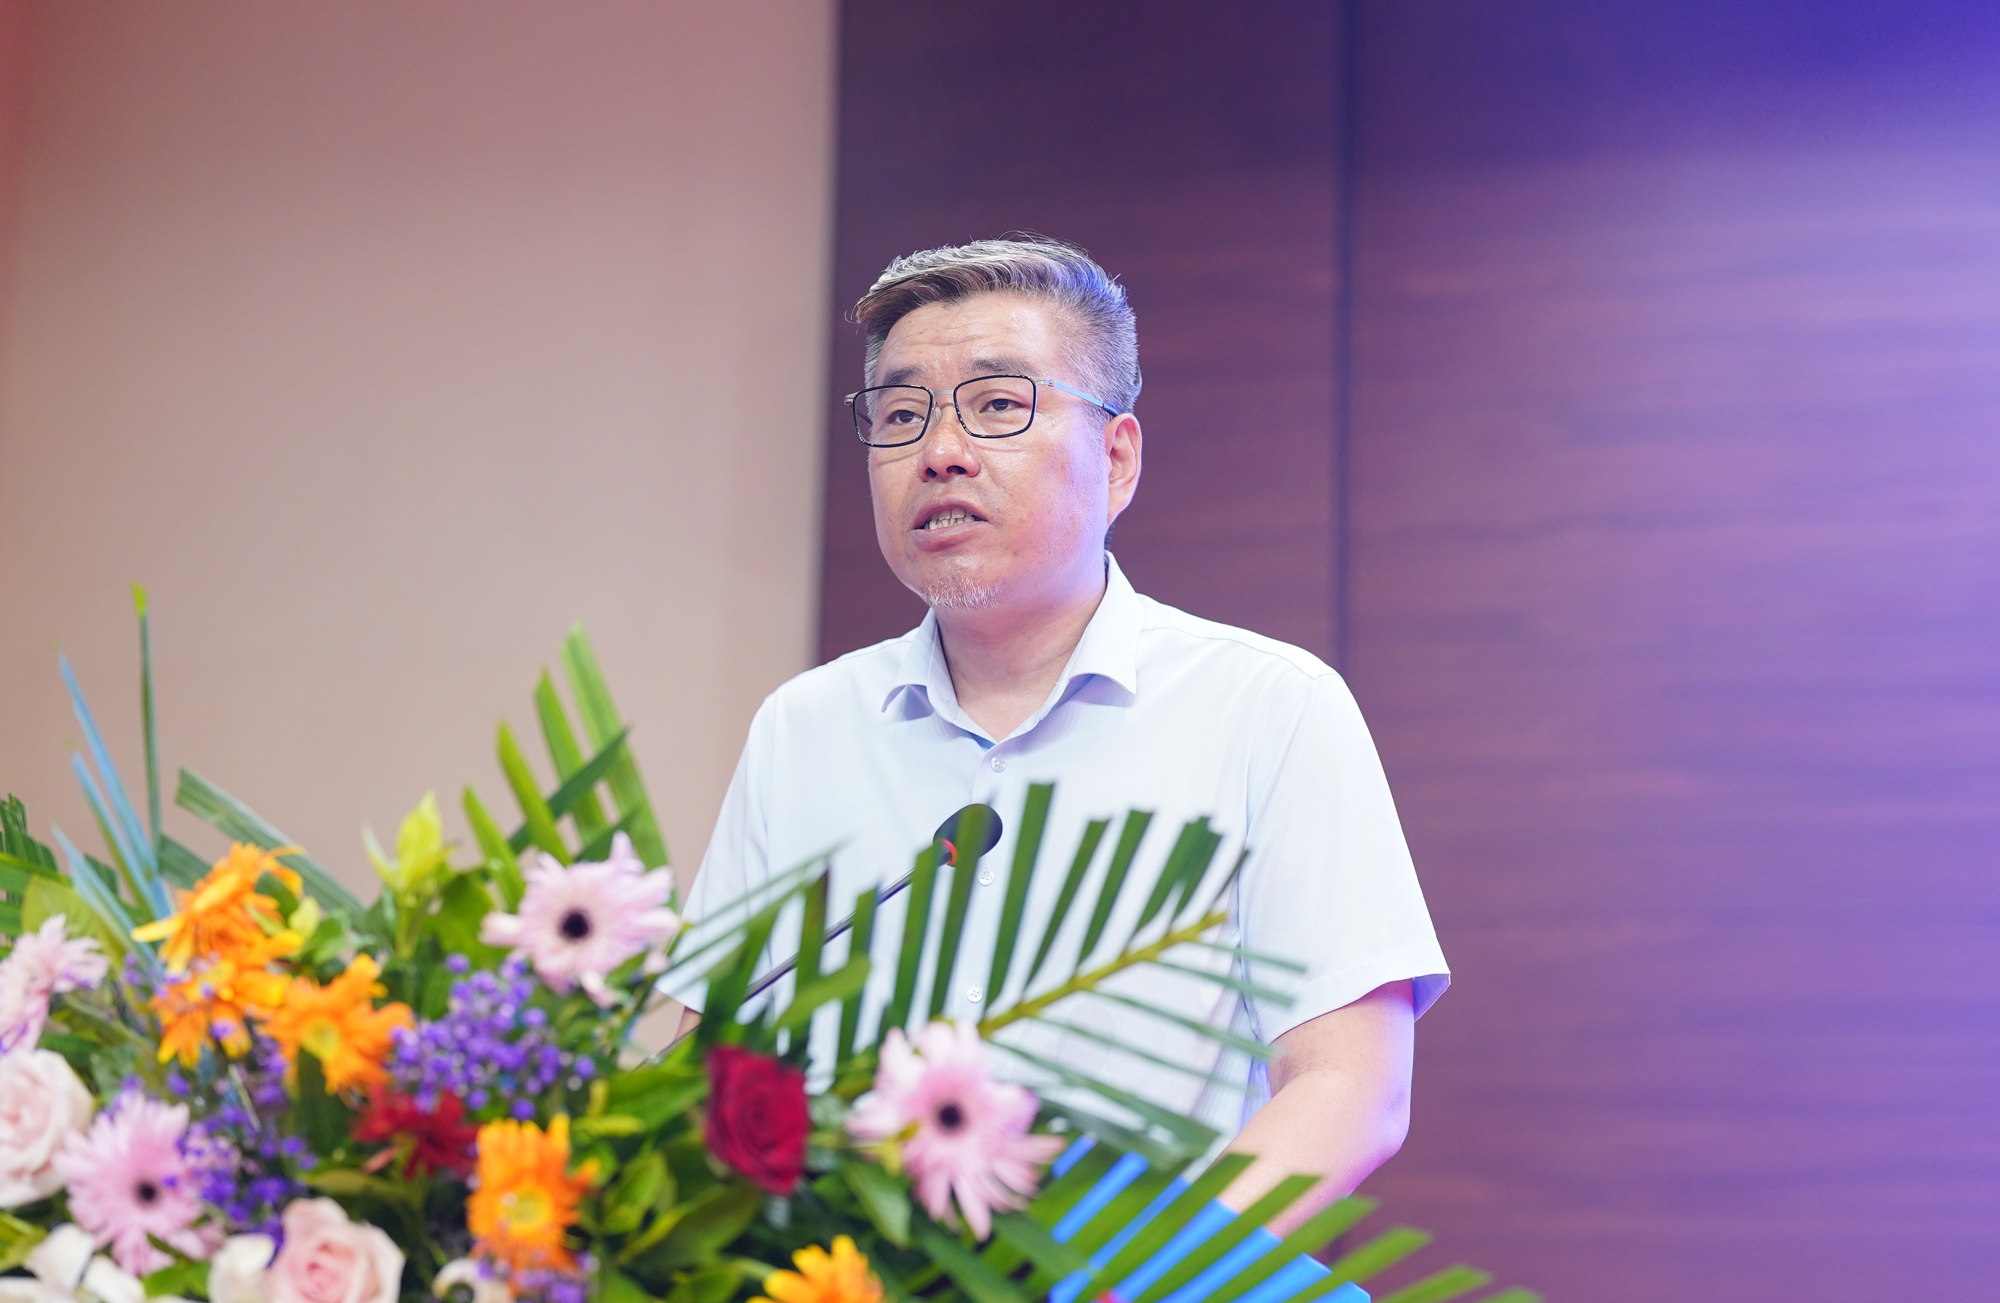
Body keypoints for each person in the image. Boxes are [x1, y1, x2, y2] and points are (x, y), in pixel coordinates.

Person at [673, 236, 1448, 1232]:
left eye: (997, 405)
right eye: (901, 415)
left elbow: (1350, 1086)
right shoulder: (805, 727)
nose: (939, 451)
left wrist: (1132, 1274)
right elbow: (706, 1063)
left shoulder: (1267, 705)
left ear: (1116, 458)